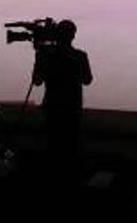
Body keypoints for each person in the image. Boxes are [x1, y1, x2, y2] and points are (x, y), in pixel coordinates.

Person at [31, 19, 92, 163]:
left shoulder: (47, 56)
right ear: (73, 36)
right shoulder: (80, 56)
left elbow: (37, 81)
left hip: (53, 108)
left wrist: (40, 58)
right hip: (71, 108)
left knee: (54, 146)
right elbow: (87, 80)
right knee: (71, 146)